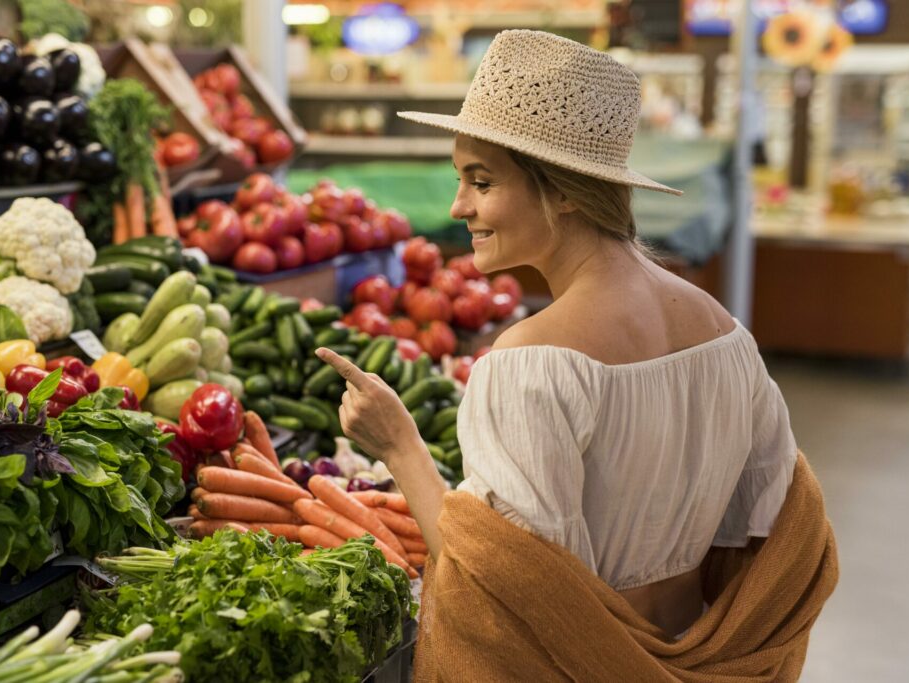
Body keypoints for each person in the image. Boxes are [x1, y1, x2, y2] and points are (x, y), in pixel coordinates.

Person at [316, 30, 837, 681]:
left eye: (482, 180)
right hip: (704, 649)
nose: (458, 206)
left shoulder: (528, 366)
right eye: (460, 180)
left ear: (564, 190)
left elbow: (510, 608)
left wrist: (399, 446)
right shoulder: (727, 337)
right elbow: (775, 532)